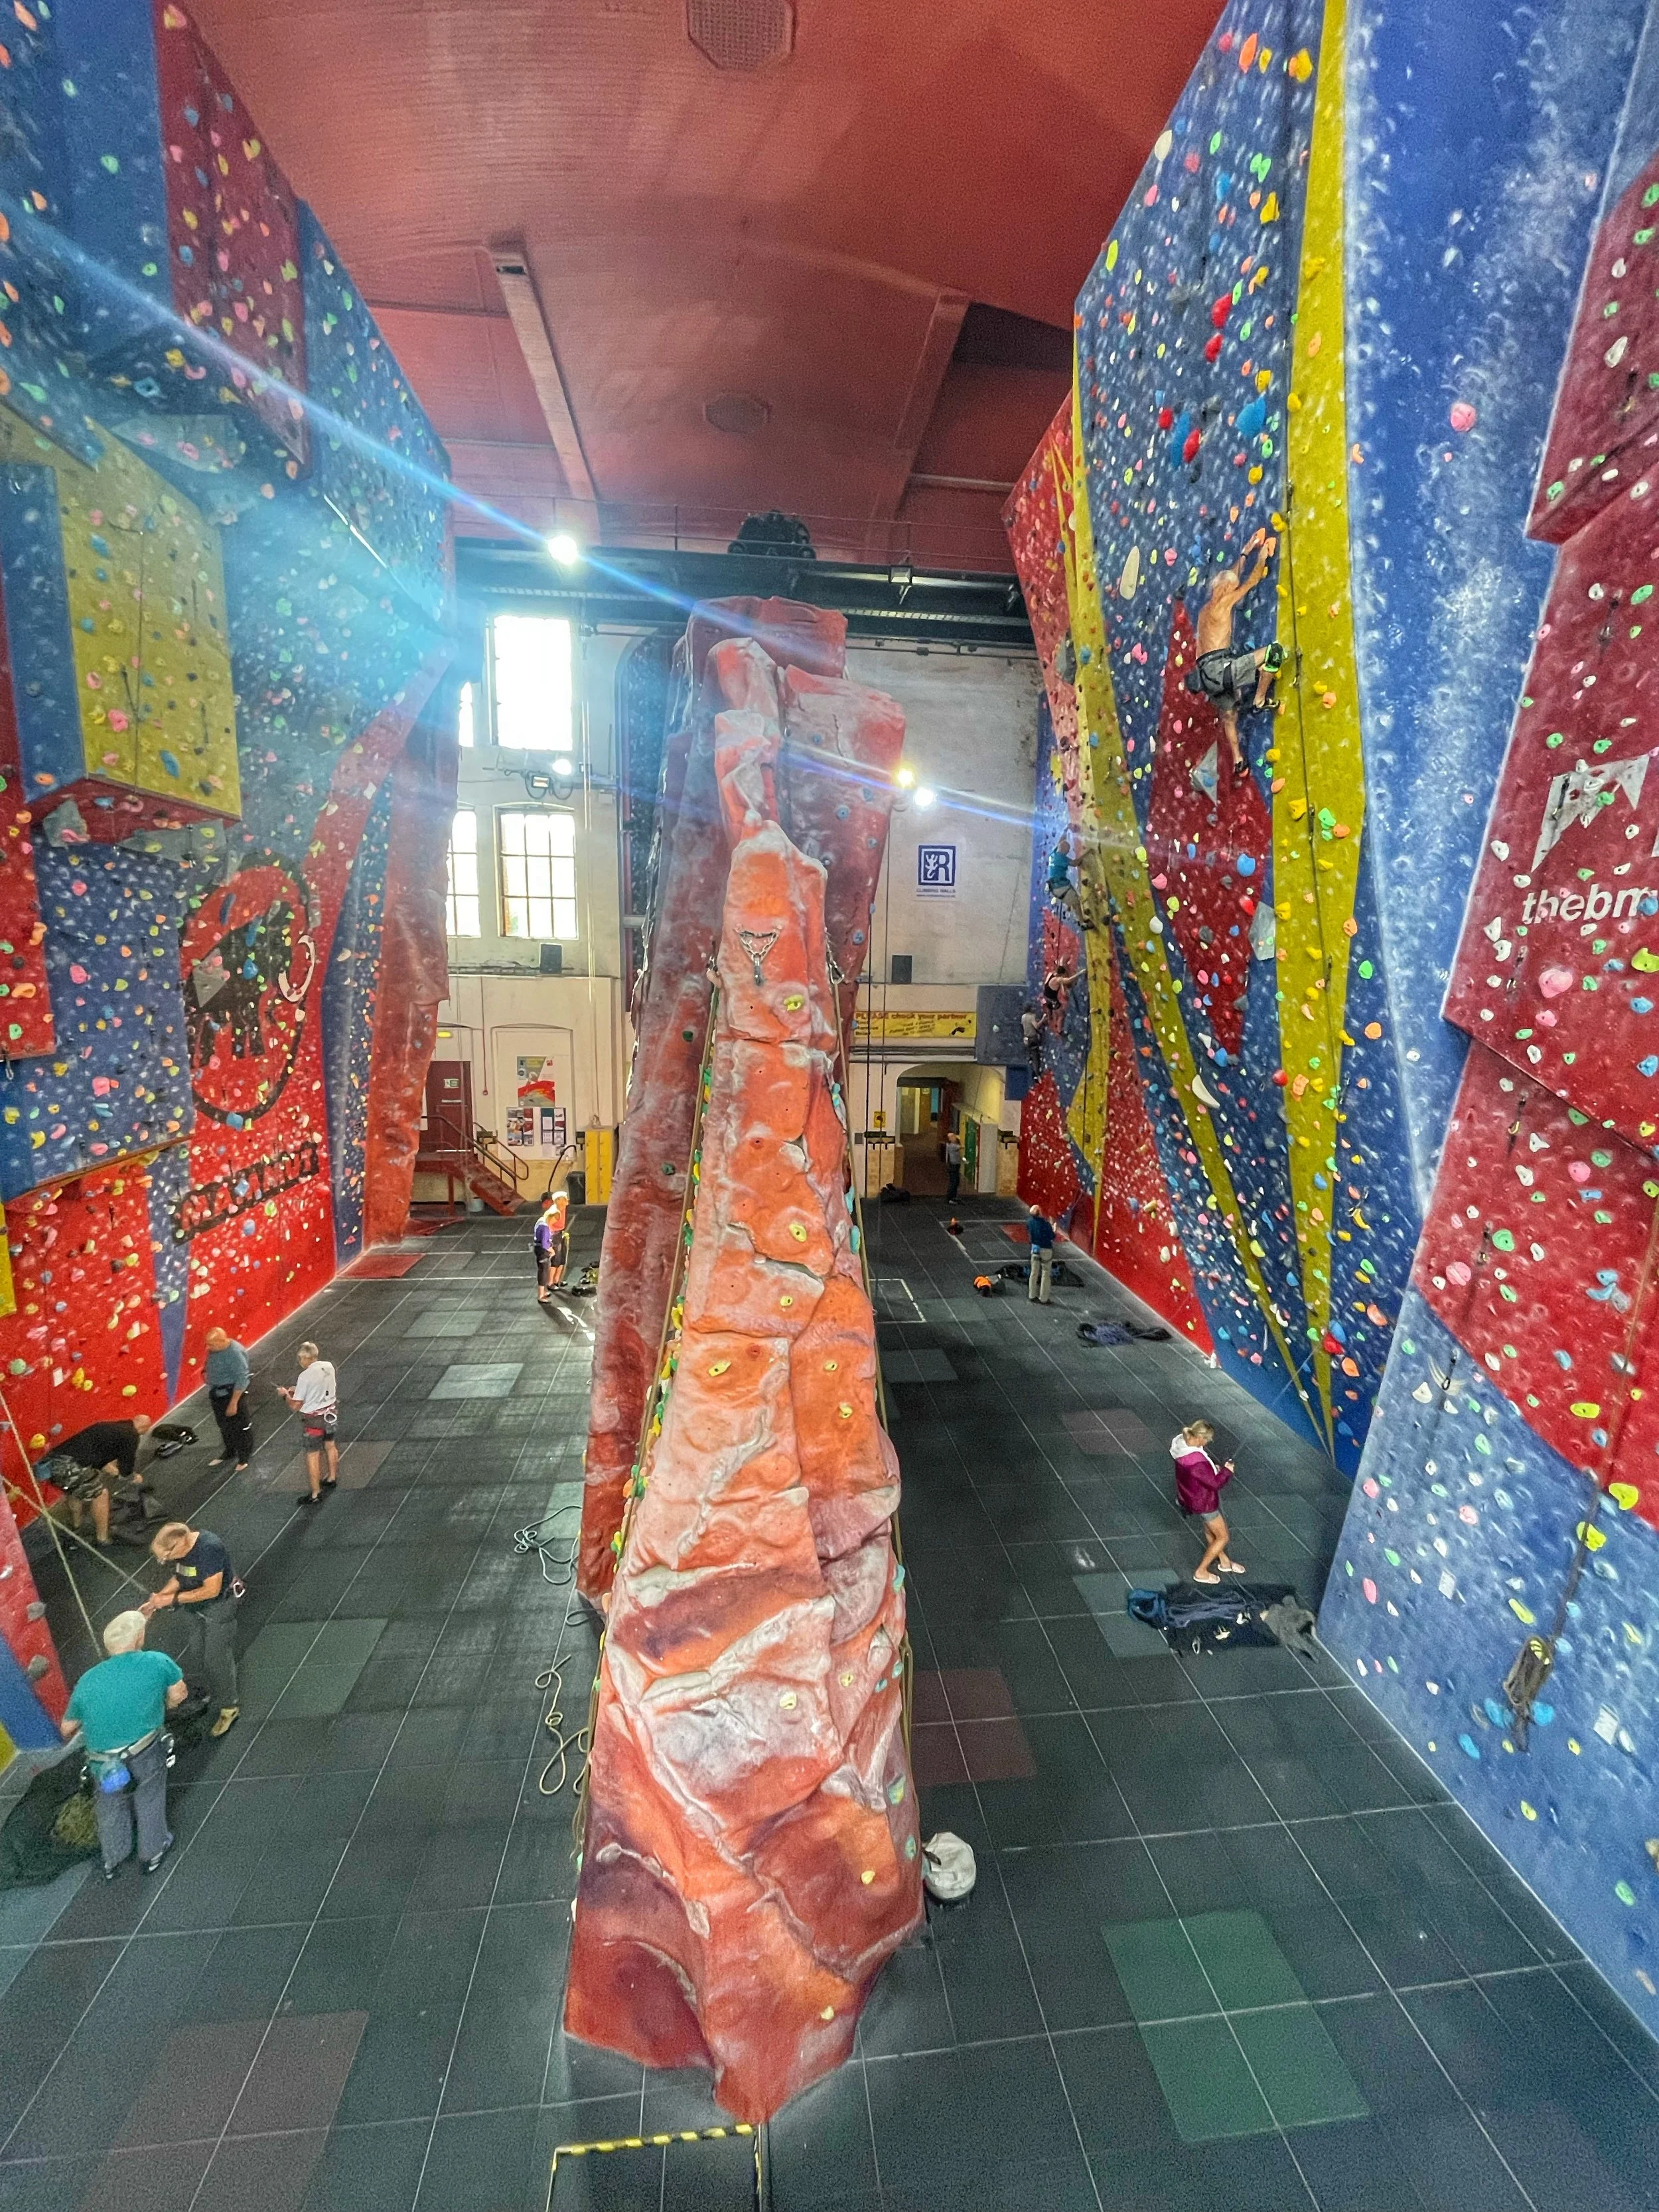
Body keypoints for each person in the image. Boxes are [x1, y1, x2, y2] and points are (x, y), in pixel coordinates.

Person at [60, 1609, 188, 1878]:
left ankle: (112, 1859)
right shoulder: (156, 1662)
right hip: (144, 1751)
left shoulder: (88, 1679)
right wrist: (167, 1705)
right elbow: (179, 1694)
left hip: (102, 1762)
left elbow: (68, 1728)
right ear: (140, 1637)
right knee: (149, 1796)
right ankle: (152, 1852)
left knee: (110, 1804)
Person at [1192, 529, 1285, 767]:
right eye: (1228, 588)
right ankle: (1260, 700)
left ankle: (1238, 761)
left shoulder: (1204, 610)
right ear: (1223, 590)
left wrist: (1246, 551)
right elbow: (1252, 581)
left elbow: (1231, 577)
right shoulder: (1224, 603)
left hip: (1205, 674)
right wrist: (1262, 556)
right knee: (1273, 653)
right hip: (1220, 669)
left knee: (1228, 714)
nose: (1230, 590)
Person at [143, 1520, 240, 1737]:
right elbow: (181, 1576)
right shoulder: (183, 1553)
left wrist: (170, 1601)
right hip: (195, 1608)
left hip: (218, 1607)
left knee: (216, 1657)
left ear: (180, 1544)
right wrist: (159, 1598)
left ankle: (229, 1705)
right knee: (198, 1650)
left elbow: (211, 1590)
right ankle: (218, 1687)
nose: (164, 1561)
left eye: (166, 1557)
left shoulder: (209, 1549)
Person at [48, 1416, 157, 1547]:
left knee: (75, 1491)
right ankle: (103, 1539)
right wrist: (133, 1477)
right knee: (101, 1495)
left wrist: (117, 1473)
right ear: (144, 1428)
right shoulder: (131, 1435)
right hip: (71, 1466)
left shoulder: (108, 1427)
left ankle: (76, 1528)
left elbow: (102, 1459)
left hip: (55, 1463)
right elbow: (126, 1469)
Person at [1169, 1418, 1244, 1584]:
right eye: (1207, 1440)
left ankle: (1224, 1562)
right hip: (1204, 1502)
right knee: (1223, 1537)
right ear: (1201, 1438)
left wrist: (1212, 1470)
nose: (1207, 1443)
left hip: (1190, 1496)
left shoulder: (1182, 1443)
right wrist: (1226, 1472)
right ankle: (1201, 1571)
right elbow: (1215, 1484)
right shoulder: (1196, 1462)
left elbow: (1200, 1475)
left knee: (1211, 1531)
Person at [278, 1343, 338, 1502]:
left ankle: (315, 1494)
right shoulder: (328, 1367)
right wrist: (297, 1388)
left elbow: (296, 1406)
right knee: (330, 1446)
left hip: (313, 1422)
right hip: (330, 1416)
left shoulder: (304, 1376)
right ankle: (332, 1477)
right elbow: (318, 1385)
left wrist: (286, 1395)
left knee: (313, 1455)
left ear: (305, 1358)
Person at [203, 1328, 252, 1469]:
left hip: (231, 1394)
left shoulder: (235, 1354)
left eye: (211, 1345)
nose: (208, 1348)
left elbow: (242, 1379)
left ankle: (244, 1457)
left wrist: (234, 1403)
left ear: (221, 1342)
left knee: (241, 1426)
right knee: (224, 1425)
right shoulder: (216, 1349)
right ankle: (230, 1451)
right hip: (217, 1393)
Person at [1026, 1203, 1056, 1304]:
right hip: (1046, 1249)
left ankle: (1032, 1295)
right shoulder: (1045, 1224)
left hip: (1035, 1249)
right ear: (1039, 1213)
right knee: (1046, 1273)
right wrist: (1054, 1228)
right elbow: (1052, 1236)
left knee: (1034, 1272)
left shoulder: (1030, 1222)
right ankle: (1043, 1298)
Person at [944, 1129, 963, 1202]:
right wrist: (959, 1139)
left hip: (956, 1165)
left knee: (956, 1181)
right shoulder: (952, 1146)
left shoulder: (953, 1145)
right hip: (953, 1166)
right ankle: (951, 1197)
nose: (955, 1137)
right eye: (952, 1136)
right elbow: (961, 1146)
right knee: (953, 1181)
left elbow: (959, 1156)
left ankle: (954, 1196)